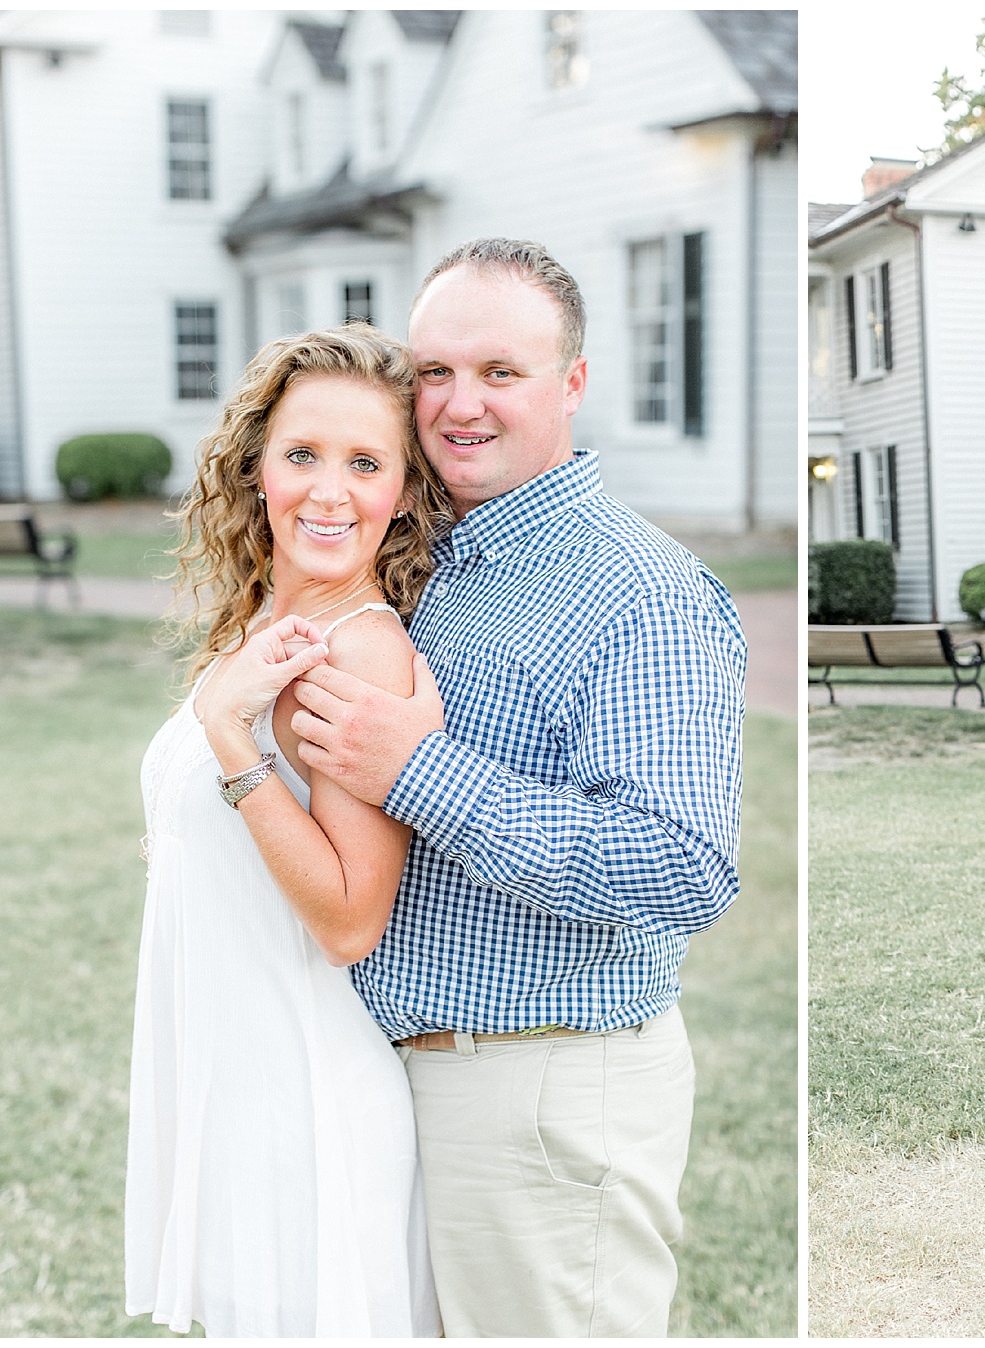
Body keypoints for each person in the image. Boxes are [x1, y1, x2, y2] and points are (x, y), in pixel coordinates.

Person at [287, 239, 747, 1337]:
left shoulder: (640, 591)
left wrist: (420, 772)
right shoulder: (427, 560)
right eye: (435, 373)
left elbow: (683, 865)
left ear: (572, 382)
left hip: (541, 1091)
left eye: (501, 372)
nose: (460, 404)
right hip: (403, 1080)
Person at [126, 325, 451, 1335]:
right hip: (232, 1079)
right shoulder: (264, 625)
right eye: (303, 453)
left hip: (302, 1105)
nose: (329, 491)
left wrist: (233, 740)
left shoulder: (360, 653)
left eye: (366, 464)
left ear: (404, 493)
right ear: (257, 467)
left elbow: (351, 919)